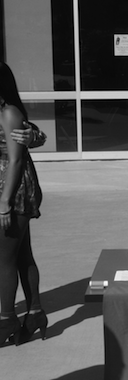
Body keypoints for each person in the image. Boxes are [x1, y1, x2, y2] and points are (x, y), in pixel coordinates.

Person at [0, 62, 48, 347]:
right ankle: (34, 314)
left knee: (4, 257)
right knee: (21, 254)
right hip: (7, 188)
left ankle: (6, 320)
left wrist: (4, 203)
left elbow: (16, 159)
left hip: (13, 191)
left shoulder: (9, 112)